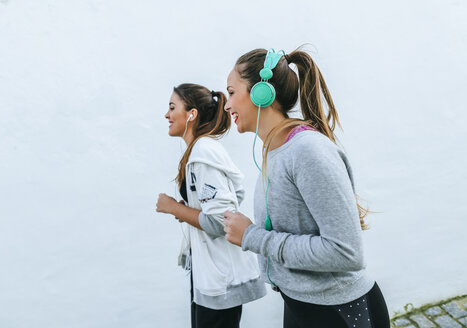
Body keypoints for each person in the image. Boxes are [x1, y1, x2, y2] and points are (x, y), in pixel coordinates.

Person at [222, 48, 390, 328]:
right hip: (300, 305)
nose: (227, 106)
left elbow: (346, 252)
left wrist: (252, 236)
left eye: (231, 92)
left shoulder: (307, 151)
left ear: (261, 93)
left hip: (341, 312)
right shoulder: (274, 151)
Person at [156, 83, 266, 328]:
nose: (166, 115)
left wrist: (174, 207)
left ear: (191, 114)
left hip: (220, 279)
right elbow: (232, 195)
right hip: (212, 276)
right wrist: (190, 211)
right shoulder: (201, 150)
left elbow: (220, 220)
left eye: (172, 108)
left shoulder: (203, 153)